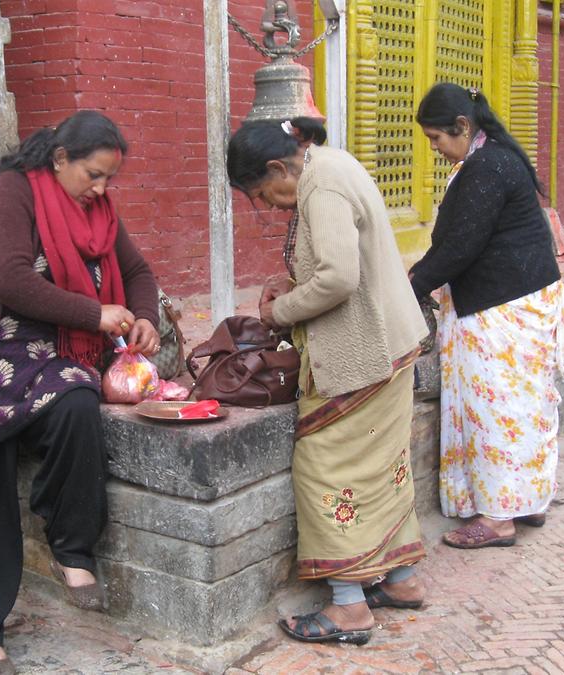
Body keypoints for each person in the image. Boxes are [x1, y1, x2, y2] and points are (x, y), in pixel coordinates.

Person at [0, 110, 160, 674]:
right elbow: (9, 279)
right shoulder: (7, 195)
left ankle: (72, 548)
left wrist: (144, 315)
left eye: (110, 178)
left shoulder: (100, 211)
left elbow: (138, 270)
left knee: (79, 408)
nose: (101, 189)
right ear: (60, 160)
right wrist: (94, 312)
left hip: (53, 351)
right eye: (93, 175)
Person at [227, 117, 429, 645]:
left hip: (366, 350)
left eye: (261, 193)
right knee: (386, 467)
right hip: (393, 341)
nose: (267, 205)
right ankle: (402, 581)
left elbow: (339, 278)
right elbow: (340, 259)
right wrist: (291, 283)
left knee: (324, 467)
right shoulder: (333, 165)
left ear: (277, 167)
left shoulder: (322, 185)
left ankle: (348, 608)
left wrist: (281, 312)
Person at [409, 83, 564, 550]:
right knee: (529, 410)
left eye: (437, 139)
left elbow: (460, 247)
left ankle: (500, 518)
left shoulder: (486, 166)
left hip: (502, 309)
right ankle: (530, 500)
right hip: (523, 300)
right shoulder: (495, 157)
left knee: (497, 412)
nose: (436, 149)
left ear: (462, 127)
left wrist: (411, 287)